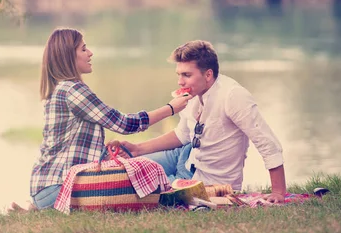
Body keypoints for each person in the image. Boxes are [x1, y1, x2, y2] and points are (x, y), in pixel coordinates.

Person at [23, 27, 193, 210]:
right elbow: (125, 124)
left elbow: (70, 147)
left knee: (154, 164)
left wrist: (103, 153)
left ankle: (35, 206)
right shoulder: (73, 90)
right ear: (68, 56)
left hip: (46, 188)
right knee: (151, 178)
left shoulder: (60, 89)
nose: (90, 53)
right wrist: (170, 108)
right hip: (60, 187)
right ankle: (185, 191)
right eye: (83, 49)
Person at [118, 40, 287, 203]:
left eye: (187, 75)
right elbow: (182, 135)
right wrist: (138, 149)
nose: (180, 82)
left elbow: (266, 142)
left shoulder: (233, 96)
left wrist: (278, 191)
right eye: (179, 74)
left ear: (208, 74)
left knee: (131, 186)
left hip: (205, 181)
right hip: (184, 155)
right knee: (127, 169)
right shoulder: (192, 93)